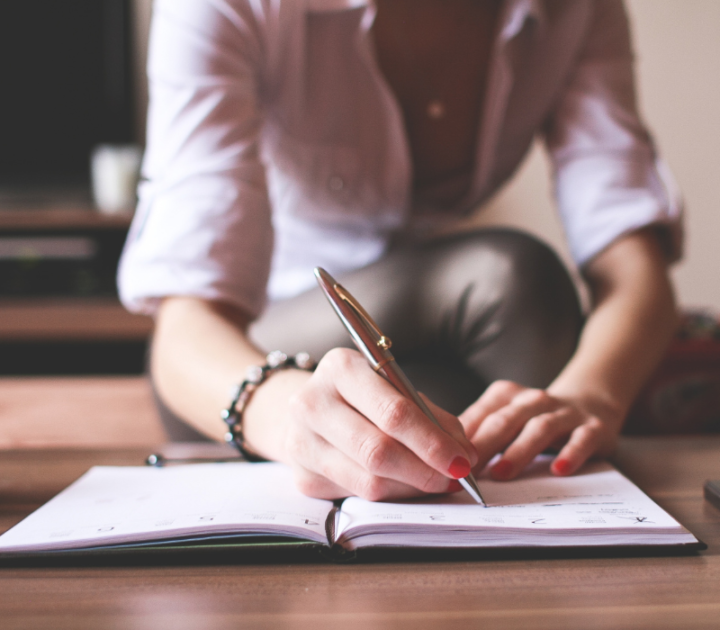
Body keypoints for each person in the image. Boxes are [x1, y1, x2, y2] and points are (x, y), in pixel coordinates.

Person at [118, 0, 683, 502]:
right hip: (245, 379)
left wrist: (592, 397)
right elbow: (185, 330)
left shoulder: (573, 11)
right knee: (512, 280)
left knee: (488, 400)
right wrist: (289, 417)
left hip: (437, 355)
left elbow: (633, 266)